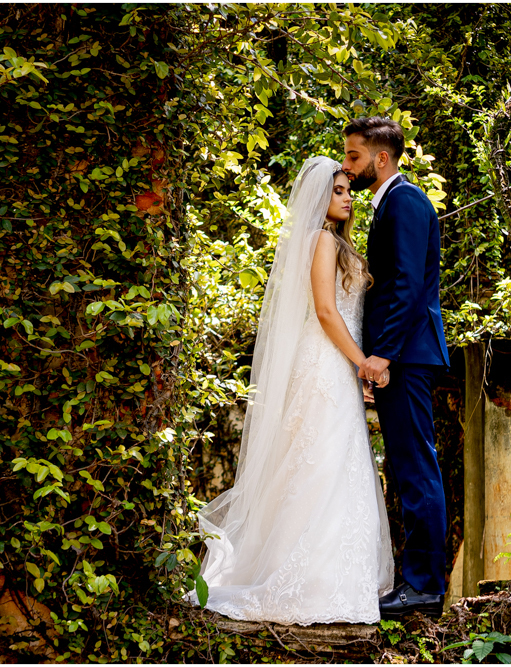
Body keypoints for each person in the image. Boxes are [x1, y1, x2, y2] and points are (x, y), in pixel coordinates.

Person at [189, 156, 394, 625]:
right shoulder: (321, 239)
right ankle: (306, 579)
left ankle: (333, 577)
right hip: (325, 361)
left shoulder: (335, 241)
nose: (347, 197)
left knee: (335, 463)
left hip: (338, 362)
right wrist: (361, 363)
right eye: (338, 191)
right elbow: (325, 311)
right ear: (319, 197)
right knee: (319, 462)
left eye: (348, 190)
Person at [342, 117, 451, 619]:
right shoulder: (391, 202)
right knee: (409, 469)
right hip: (403, 353)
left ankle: (425, 586)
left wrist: (382, 355)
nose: (348, 166)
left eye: (354, 156)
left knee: (416, 470)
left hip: (406, 355)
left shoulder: (404, 201)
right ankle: (419, 581)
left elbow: (407, 285)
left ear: (380, 158)